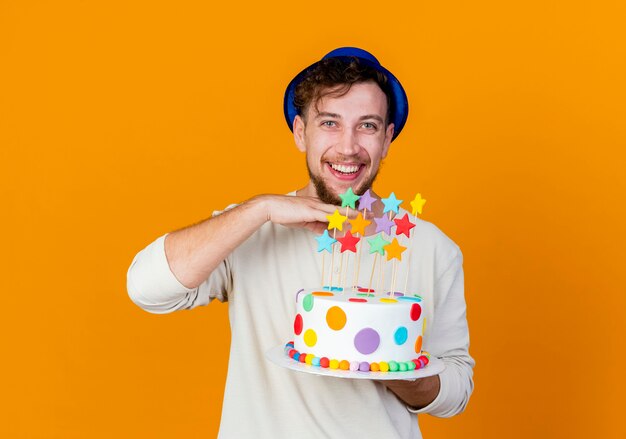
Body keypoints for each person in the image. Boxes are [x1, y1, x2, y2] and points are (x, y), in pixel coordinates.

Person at [127, 47, 474, 438]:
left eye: (368, 126)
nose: (348, 147)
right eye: (329, 122)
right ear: (300, 132)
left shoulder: (432, 248)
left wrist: (392, 362)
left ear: (388, 138)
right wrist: (258, 210)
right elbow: (146, 289)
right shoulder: (251, 229)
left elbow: (456, 392)